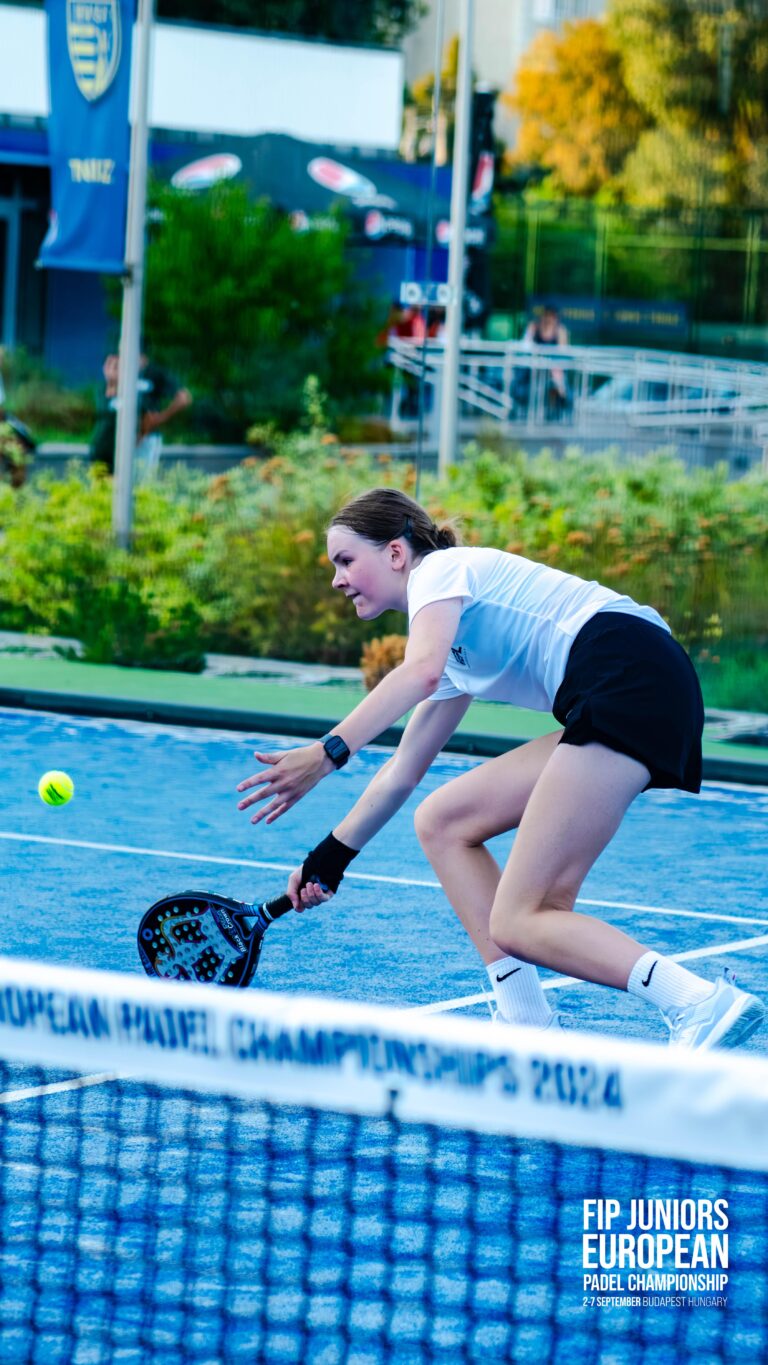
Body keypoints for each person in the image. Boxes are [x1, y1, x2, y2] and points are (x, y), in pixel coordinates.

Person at [236, 488, 763, 1050]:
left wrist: (326, 753)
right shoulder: (448, 652)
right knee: (443, 820)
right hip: (631, 686)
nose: (337, 580)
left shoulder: (439, 571)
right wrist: (329, 859)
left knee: (522, 919)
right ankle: (525, 1020)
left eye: (345, 560)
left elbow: (417, 672)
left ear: (395, 553)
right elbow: (403, 770)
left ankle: (699, 1002)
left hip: (630, 676)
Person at [89, 351, 192, 474]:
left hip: (142, 439)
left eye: (116, 365)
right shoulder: (105, 388)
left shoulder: (154, 373)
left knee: (138, 476)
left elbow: (183, 398)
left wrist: (160, 418)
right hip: (111, 443)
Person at [514, 304, 571, 419]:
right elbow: (525, 345)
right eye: (547, 315)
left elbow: (563, 351)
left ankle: (557, 401)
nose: (549, 319)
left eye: (552, 316)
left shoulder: (560, 331)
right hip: (534, 369)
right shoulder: (534, 327)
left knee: (555, 377)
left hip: (553, 370)